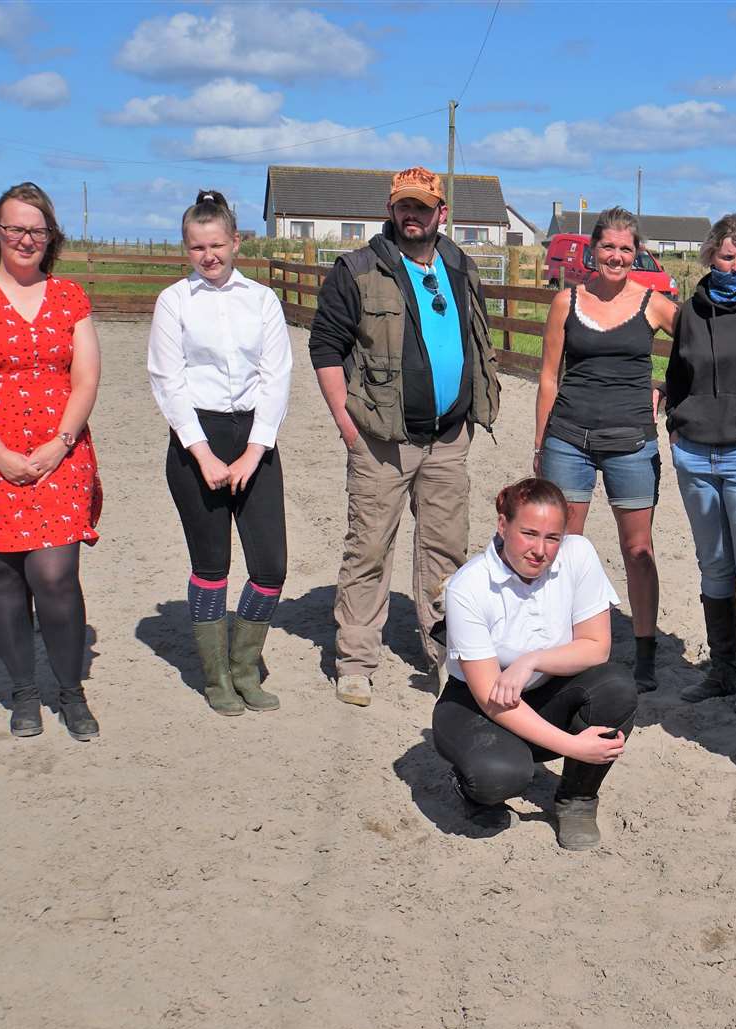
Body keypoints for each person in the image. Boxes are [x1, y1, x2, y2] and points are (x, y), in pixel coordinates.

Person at [309, 166, 503, 707]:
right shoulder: (358, 269)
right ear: (390, 211)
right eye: (403, 206)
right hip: (380, 440)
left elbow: (474, 338)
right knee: (369, 548)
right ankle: (356, 660)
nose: (411, 215)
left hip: (448, 439)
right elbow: (325, 347)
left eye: (422, 206)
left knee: (446, 551)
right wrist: (347, 426)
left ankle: (446, 657)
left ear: (443, 214)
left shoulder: (461, 266)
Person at [0, 182, 104, 741]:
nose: (26, 239)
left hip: (60, 450)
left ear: (50, 236)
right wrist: (1, 454)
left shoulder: (70, 297)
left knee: (55, 574)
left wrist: (58, 444)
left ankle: (70, 690)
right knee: (5, 575)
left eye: (37, 230)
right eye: (15, 228)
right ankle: (24, 692)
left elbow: (85, 378)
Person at [432, 477, 637, 850]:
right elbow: (491, 697)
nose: (540, 550)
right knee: (499, 777)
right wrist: (574, 746)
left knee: (616, 686)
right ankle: (470, 786)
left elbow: (595, 648)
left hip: (543, 689)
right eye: (528, 533)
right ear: (502, 525)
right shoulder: (469, 587)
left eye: (552, 537)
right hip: (477, 704)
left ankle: (577, 798)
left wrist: (532, 660)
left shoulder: (579, 554)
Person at [147, 191, 292, 716]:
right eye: (196, 247)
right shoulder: (174, 302)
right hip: (197, 441)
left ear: (235, 242)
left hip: (254, 438)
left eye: (217, 244)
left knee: (270, 566)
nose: (208, 255)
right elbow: (168, 380)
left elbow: (277, 377)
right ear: (186, 249)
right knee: (212, 565)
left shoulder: (262, 300)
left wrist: (256, 450)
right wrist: (202, 453)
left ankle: (245, 665)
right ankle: (216, 677)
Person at [534, 207, 678, 693]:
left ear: (637, 252)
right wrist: (540, 442)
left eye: (625, 248)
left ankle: (644, 650)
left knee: (638, 550)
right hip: (569, 437)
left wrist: (666, 386)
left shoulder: (655, 304)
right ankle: (568, 640)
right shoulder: (566, 301)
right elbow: (550, 376)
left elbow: (700, 351)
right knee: (565, 547)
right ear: (593, 250)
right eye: (608, 247)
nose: (616, 256)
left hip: (631, 441)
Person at [663, 214, 736, 711]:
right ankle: (723, 669)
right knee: (713, 564)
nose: (734, 265)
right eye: (727, 256)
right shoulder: (690, 311)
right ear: (710, 256)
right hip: (693, 453)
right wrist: (674, 419)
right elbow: (677, 373)